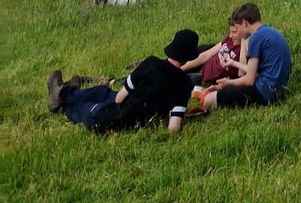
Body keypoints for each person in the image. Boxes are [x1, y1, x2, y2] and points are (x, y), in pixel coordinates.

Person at [48, 30, 199, 133]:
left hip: (105, 118)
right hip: (137, 123)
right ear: (189, 57)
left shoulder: (151, 63)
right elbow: (174, 127)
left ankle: (63, 95)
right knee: (103, 91)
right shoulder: (185, 85)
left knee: (82, 106)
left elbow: (120, 98)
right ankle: (69, 90)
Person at [204, 3, 291, 111]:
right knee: (225, 91)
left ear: (245, 23)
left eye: (237, 27)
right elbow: (253, 71)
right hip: (277, 90)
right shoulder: (271, 32)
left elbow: (249, 80)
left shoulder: (255, 38)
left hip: (265, 93)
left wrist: (229, 83)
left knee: (208, 100)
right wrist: (233, 66)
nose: (235, 34)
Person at [182, 16, 248, 88]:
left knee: (177, 82)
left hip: (208, 81)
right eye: (230, 32)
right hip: (203, 69)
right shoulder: (230, 39)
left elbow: (241, 76)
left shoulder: (243, 49)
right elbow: (205, 56)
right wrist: (181, 69)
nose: (230, 36)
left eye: (234, 32)